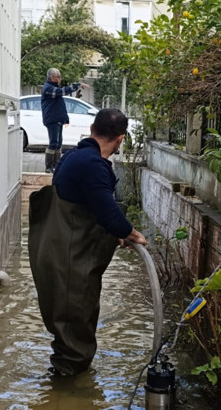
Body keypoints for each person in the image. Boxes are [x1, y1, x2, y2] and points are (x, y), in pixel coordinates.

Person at [28, 108, 147, 377]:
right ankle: (66, 402)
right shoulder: (93, 165)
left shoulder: (73, 157)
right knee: (74, 335)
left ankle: (64, 393)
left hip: (58, 254)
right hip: (70, 260)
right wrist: (133, 234)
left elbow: (85, 207)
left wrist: (114, 231)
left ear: (92, 129)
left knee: (69, 327)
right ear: (120, 139)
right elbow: (108, 212)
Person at [41, 68, 91, 173]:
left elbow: (60, 106)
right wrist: (77, 85)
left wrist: (65, 119)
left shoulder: (53, 88)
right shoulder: (48, 88)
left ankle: (56, 165)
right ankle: (49, 166)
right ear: (52, 77)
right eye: (58, 77)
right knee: (54, 142)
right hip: (52, 119)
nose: (60, 79)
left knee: (58, 143)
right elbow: (61, 92)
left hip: (57, 119)